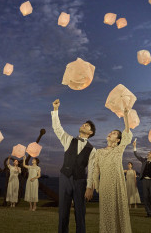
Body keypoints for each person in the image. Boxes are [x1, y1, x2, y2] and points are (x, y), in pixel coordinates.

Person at [52, 99, 96, 233]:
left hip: (80, 181)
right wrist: (55, 110)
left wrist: (89, 187)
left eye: (87, 125)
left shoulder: (92, 150)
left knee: (80, 213)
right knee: (63, 212)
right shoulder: (68, 139)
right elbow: (57, 128)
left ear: (90, 133)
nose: (84, 124)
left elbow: (92, 169)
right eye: (84, 123)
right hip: (65, 178)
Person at [93, 108, 132, 233]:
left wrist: (126, 116)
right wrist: (96, 185)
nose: (111, 133)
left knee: (119, 210)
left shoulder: (119, 150)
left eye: (114, 133)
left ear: (118, 140)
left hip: (117, 184)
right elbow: (96, 169)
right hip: (105, 184)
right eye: (111, 132)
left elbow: (127, 132)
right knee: (107, 213)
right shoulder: (99, 152)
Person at [133, 139, 151, 218]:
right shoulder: (144, 160)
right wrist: (134, 147)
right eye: (148, 152)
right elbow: (137, 155)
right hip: (144, 181)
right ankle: (148, 213)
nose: (148, 153)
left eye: (149, 153)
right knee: (145, 197)